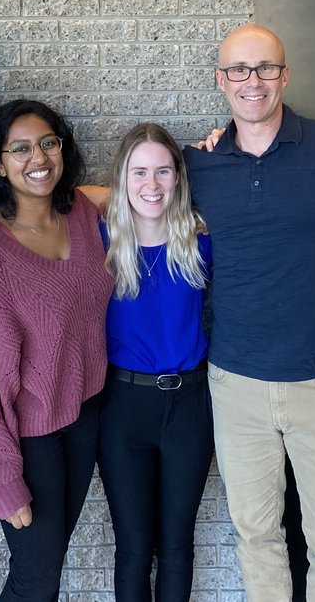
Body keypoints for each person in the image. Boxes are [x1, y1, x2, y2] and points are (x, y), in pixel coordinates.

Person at [185, 24, 315, 602]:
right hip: (235, 384)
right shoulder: (197, 164)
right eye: (238, 71)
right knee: (256, 537)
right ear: (220, 80)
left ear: (285, 74)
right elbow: (133, 193)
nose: (253, 82)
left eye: (265, 68)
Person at [0, 99, 114, 602]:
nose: (37, 157)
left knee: (48, 566)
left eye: (47, 143)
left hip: (86, 419)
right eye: (19, 149)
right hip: (29, 439)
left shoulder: (83, 214)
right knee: (35, 579)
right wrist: (1, 479)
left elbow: (152, 188)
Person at [99, 123, 214, 602]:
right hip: (122, 407)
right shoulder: (99, 237)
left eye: (163, 171)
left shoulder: (202, 239)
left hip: (189, 404)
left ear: (179, 178)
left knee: (176, 546)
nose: (152, 184)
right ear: (122, 178)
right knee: (132, 547)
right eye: (139, 171)